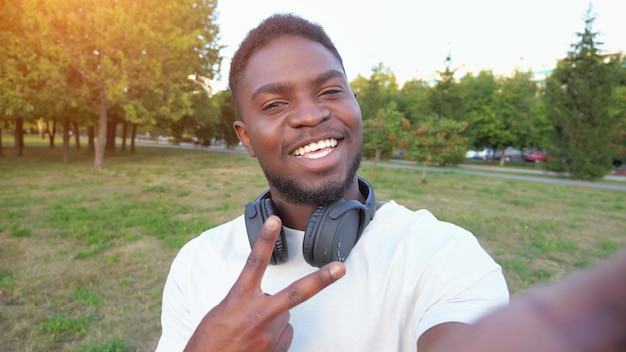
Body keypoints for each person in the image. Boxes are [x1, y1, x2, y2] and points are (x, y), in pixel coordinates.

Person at [156, 13, 509, 352]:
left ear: (355, 106)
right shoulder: (196, 264)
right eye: (276, 103)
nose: (311, 114)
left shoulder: (443, 255)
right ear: (246, 138)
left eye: (329, 91)